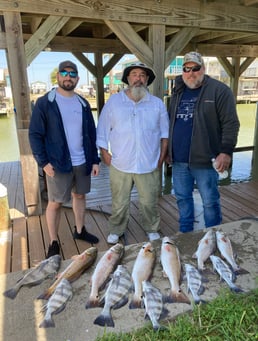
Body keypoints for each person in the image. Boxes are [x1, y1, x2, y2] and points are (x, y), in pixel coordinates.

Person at [29, 60, 100, 258]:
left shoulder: (83, 103)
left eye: (72, 74)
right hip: (57, 164)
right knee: (55, 202)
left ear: (77, 78)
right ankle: (53, 241)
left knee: (80, 196)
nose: (68, 77)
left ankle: (79, 230)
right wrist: (43, 162)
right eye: (64, 73)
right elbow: (35, 134)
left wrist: (95, 160)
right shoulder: (45, 102)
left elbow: (91, 133)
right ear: (58, 77)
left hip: (83, 161)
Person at [97, 62, 169, 244]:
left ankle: (152, 228)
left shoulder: (157, 104)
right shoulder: (114, 102)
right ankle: (116, 229)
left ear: (147, 80)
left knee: (149, 202)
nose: (138, 78)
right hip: (121, 163)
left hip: (149, 163)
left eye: (142, 75)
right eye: (134, 74)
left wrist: (161, 156)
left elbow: (165, 133)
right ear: (128, 79)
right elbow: (103, 129)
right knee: (119, 202)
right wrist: (104, 152)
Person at [167, 52, 240, 233]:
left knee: (210, 201)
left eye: (195, 68)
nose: (191, 73)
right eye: (186, 69)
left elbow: (231, 123)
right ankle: (185, 233)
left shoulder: (220, 90)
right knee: (182, 198)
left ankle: (212, 235)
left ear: (203, 69)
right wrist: (168, 151)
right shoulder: (177, 92)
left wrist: (226, 152)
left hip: (207, 160)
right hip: (179, 160)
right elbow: (169, 123)